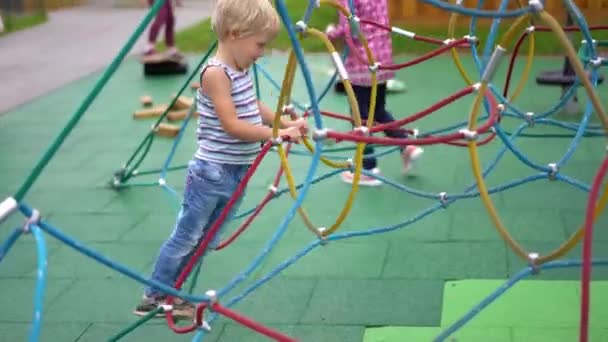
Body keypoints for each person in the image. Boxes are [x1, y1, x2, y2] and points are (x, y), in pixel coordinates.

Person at [134, 0, 306, 318]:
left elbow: (252, 106)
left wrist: (284, 123)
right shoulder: (215, 74)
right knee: (187, 235)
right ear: (236, 34)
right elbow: (232, 125)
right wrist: (276, 135)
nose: (261, 52)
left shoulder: (240, 70)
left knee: (206, 238)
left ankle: (173, 290)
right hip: (211, 173)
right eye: (260, 44)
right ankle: (156, 295)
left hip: (236, 172)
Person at [326, 0, 423, 186]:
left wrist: (330, 33)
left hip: (361, 61)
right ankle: (406, 146)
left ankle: (368, 168)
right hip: (382, 59)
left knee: (360, 116)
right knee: (378, 110)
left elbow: (350, 29)